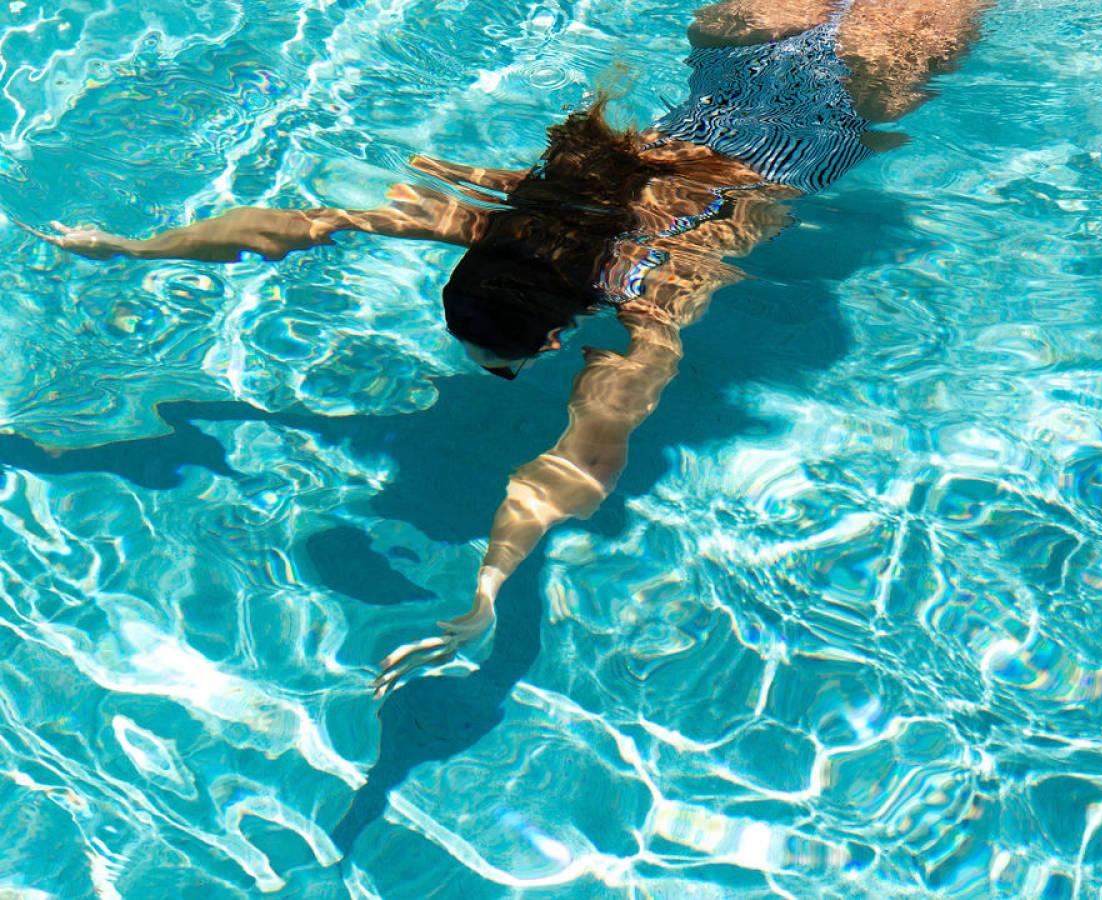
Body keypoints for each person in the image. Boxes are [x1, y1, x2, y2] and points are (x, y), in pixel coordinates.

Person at [26, 0, 986, 696]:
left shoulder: (659, 302)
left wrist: (489, 593)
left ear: (565, 332)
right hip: (739, 51)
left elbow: (577, 460)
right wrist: (133, 246)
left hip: (855, 94)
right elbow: (302, 223)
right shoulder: (519, 223)